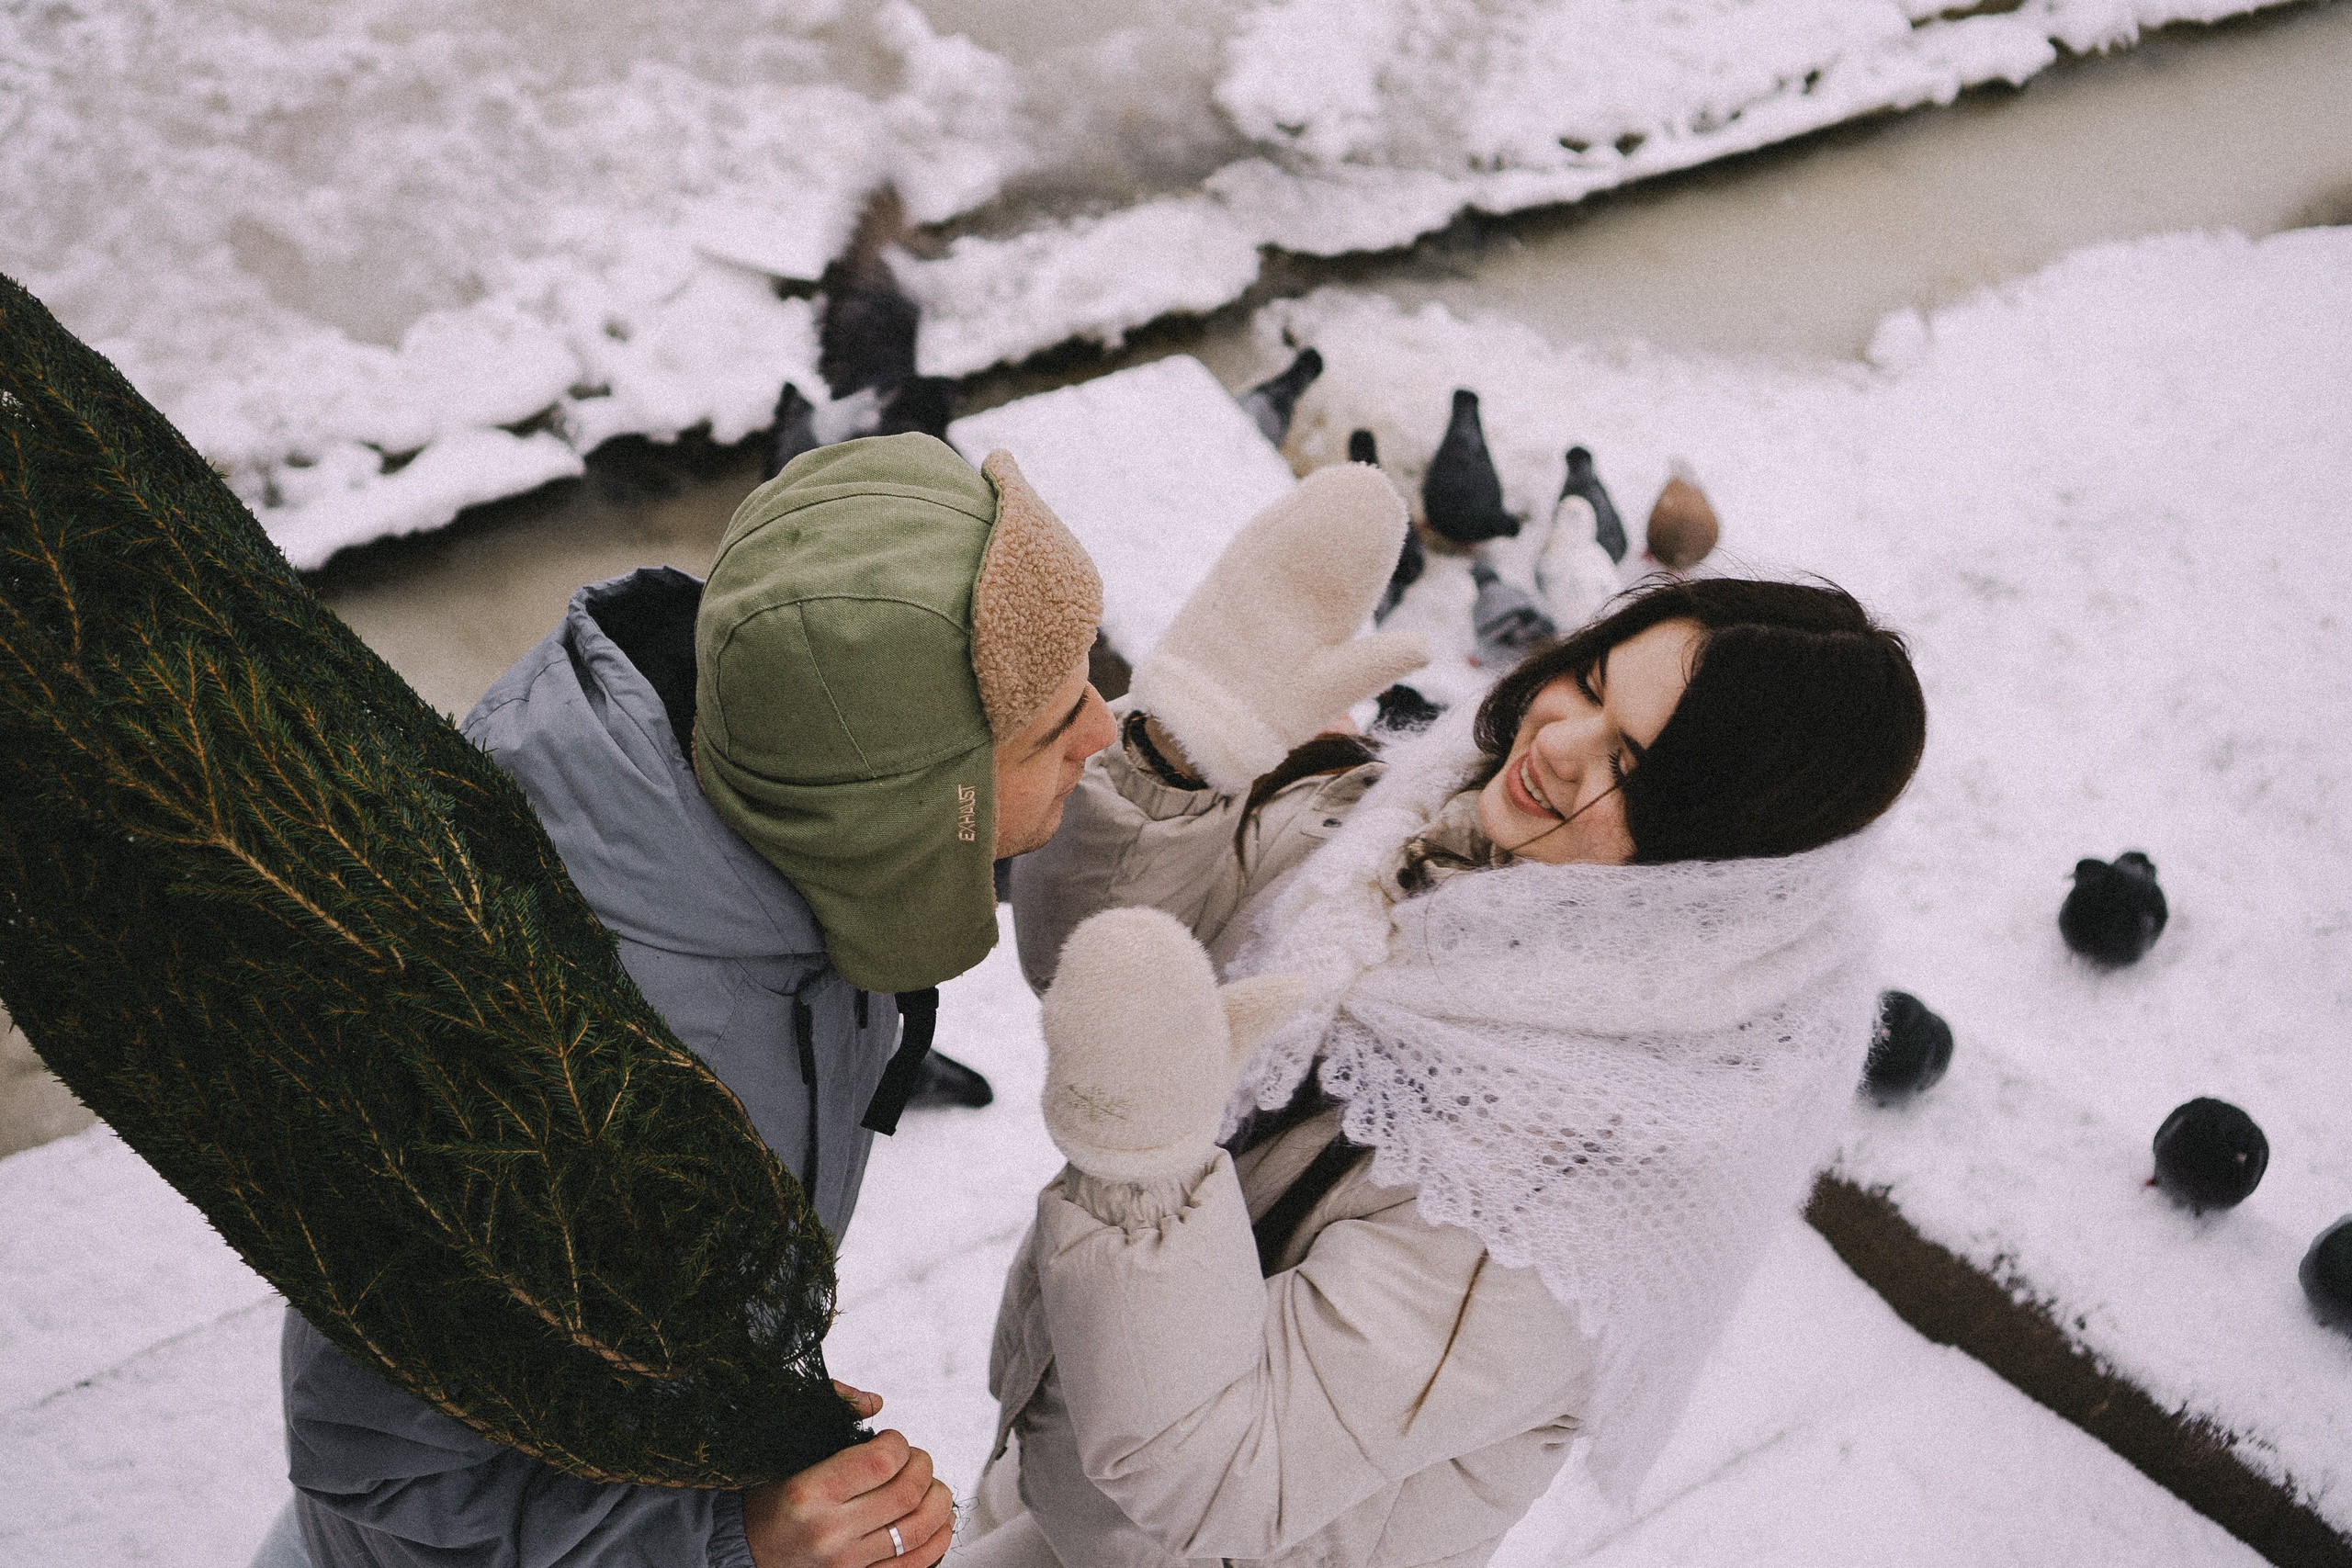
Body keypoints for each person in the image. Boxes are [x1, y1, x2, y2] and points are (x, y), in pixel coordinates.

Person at [967, 461, 1927, 1567]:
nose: (1556, 744)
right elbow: (1095, 968)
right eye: (1593, 683)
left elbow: (1220, 1467)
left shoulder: (1561, 1191)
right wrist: (1181, 756)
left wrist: (1143, 1170)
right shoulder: (1415, 832)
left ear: (1715, 859)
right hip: (1064, 1458)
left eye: (1630, 761)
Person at [267, 433, 1116, 1568]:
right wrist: (726, 1537)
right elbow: (382, 1469)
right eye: (1058, 731)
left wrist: (724, 1391)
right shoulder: (533, 1066)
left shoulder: (773, 803)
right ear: (910, 812)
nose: (1106, 731)